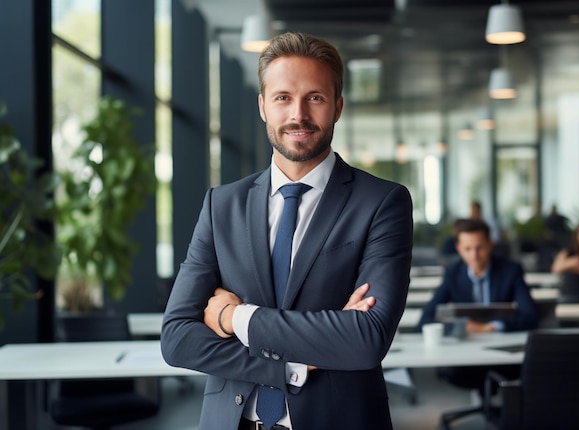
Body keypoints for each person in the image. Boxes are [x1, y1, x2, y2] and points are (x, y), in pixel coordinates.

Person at [161, 32, 414, 430]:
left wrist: (234, 317)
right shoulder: (221, 205)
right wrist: (292, 365)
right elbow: (177, 337)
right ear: (263, 106)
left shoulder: (382, 202)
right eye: (283, 98)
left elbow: (366, 339)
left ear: (337, 107)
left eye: (315, 97)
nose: (298, 114)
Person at [416, 218, 539, 422]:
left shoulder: (511, 270)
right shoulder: (453, 273)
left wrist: (491, 327)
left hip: (503, 356)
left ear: (490, 244)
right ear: (459, 248)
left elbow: (530, 316)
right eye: (467, 248)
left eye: (480, 247)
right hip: (464, 355)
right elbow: (425, 320)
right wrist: (461, 327)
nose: (474, 255)